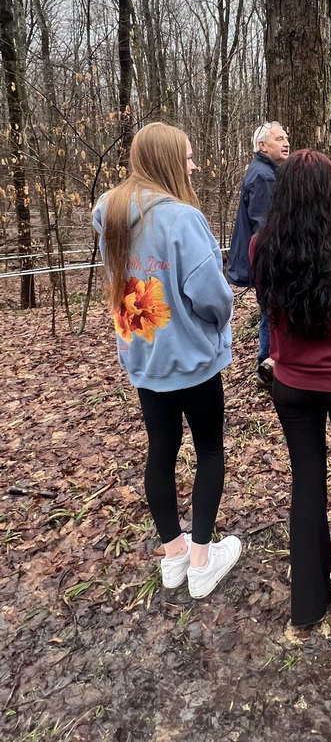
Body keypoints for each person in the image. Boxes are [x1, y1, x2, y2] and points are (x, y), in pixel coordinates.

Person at [92, 123, 241, 598]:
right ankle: (200, 561)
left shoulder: (110, 212)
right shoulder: (183, 219)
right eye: (188, 157)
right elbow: (212, 296)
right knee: (209, 450)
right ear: (168, 160)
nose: (193, 166)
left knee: (161, 449)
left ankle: (173, 554)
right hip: (191, 359)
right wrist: (221, 322)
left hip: (145, 356)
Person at [250, 149, 331, 627]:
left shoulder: (262, 245)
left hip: (293, 385)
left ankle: (307, 606)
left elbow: (268, 303)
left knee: (306, 482)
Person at [228, 122, 290, 385]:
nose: (286, 143)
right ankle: (267, 369)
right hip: (268, 260)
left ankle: (270, 367)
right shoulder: (264, 176)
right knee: (271, 313)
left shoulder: (265, 171)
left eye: (286, 137)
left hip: (265, 259)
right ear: (263, 146)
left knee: (270, 312)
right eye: (279, 139)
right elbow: (264, 227)